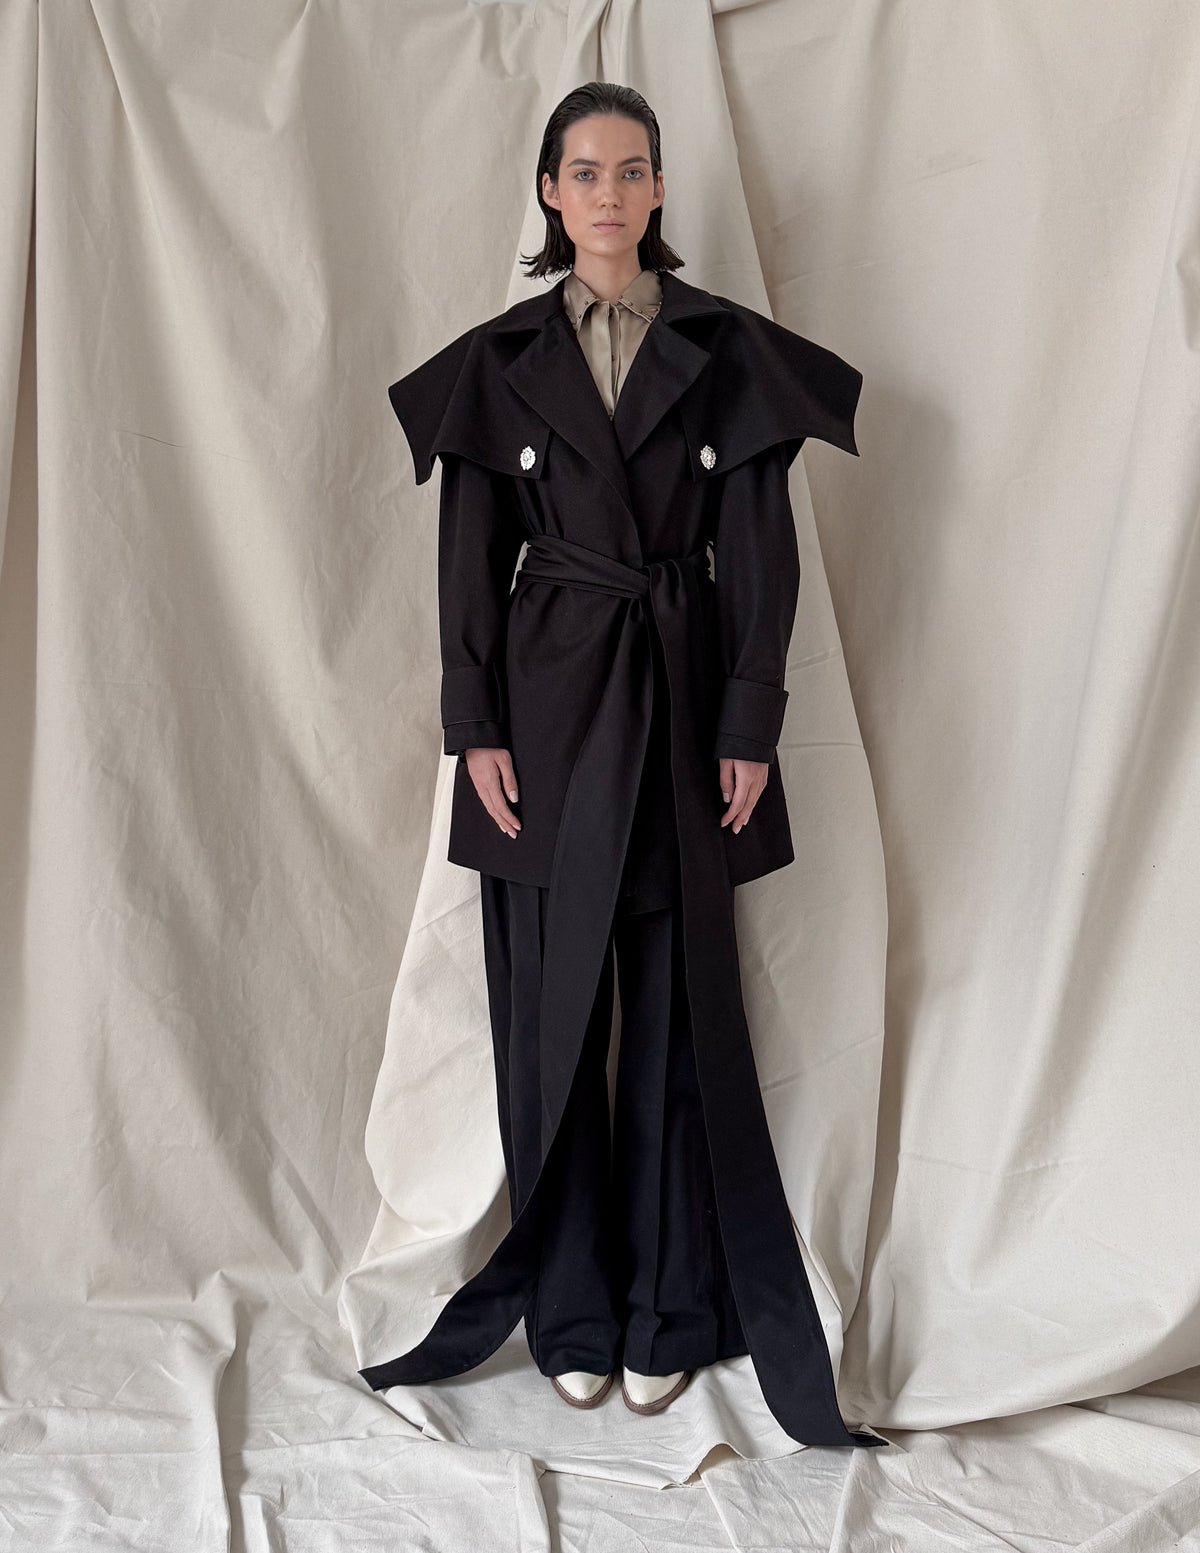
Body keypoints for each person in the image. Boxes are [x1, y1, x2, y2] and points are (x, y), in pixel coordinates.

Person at [359, 81, 886, 1449]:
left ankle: (666, 1311)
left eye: (632, 168)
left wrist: (749, 722)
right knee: (547, 1019)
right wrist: (474, 725)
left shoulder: (724, 348)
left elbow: (759, 550)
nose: (608, 191)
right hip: (540, 711)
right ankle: (572, 1314)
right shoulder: (497, 361)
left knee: (666, 1012)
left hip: (680, 689)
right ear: (550, 192)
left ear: (658, 189)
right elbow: (467, 555)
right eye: (584, 170)